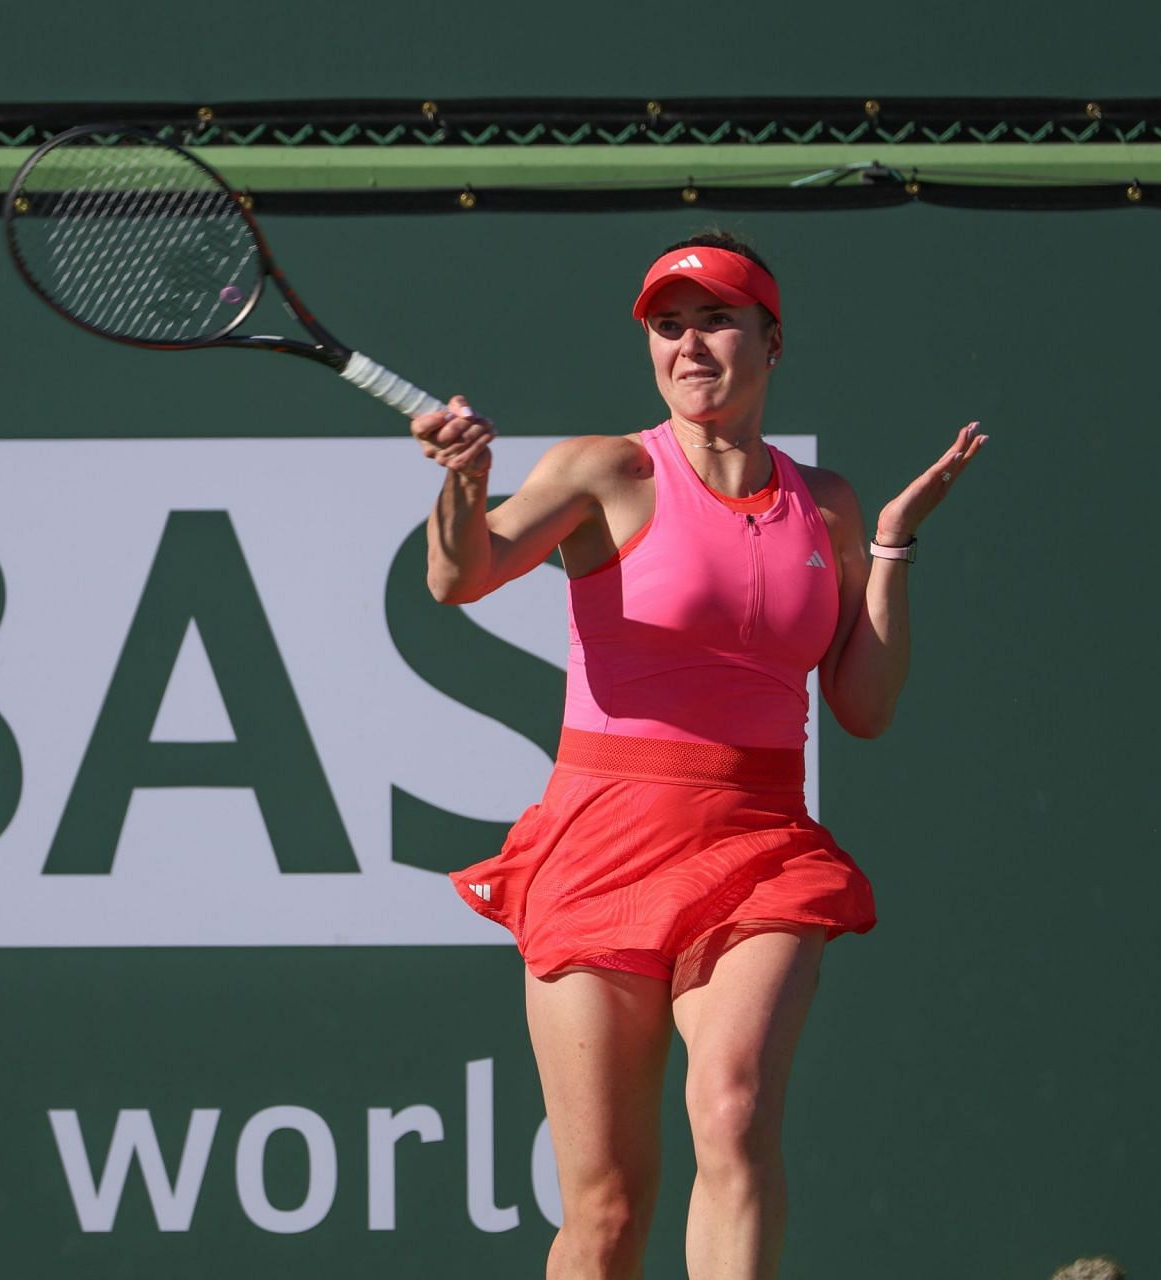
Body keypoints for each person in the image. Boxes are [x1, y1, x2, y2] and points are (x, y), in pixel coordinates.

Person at [410, 231, 987, 1280]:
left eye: (716, 318)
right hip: (600, 845)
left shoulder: (833, 505)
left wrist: (891, 545)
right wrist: (463, 483)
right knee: (609, 1211)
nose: (689, 343)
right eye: (667, 326)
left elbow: (862, 705)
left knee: (732, 1111)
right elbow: (463, 575)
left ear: (773, 339)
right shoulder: (607, 468)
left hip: (760, 842)